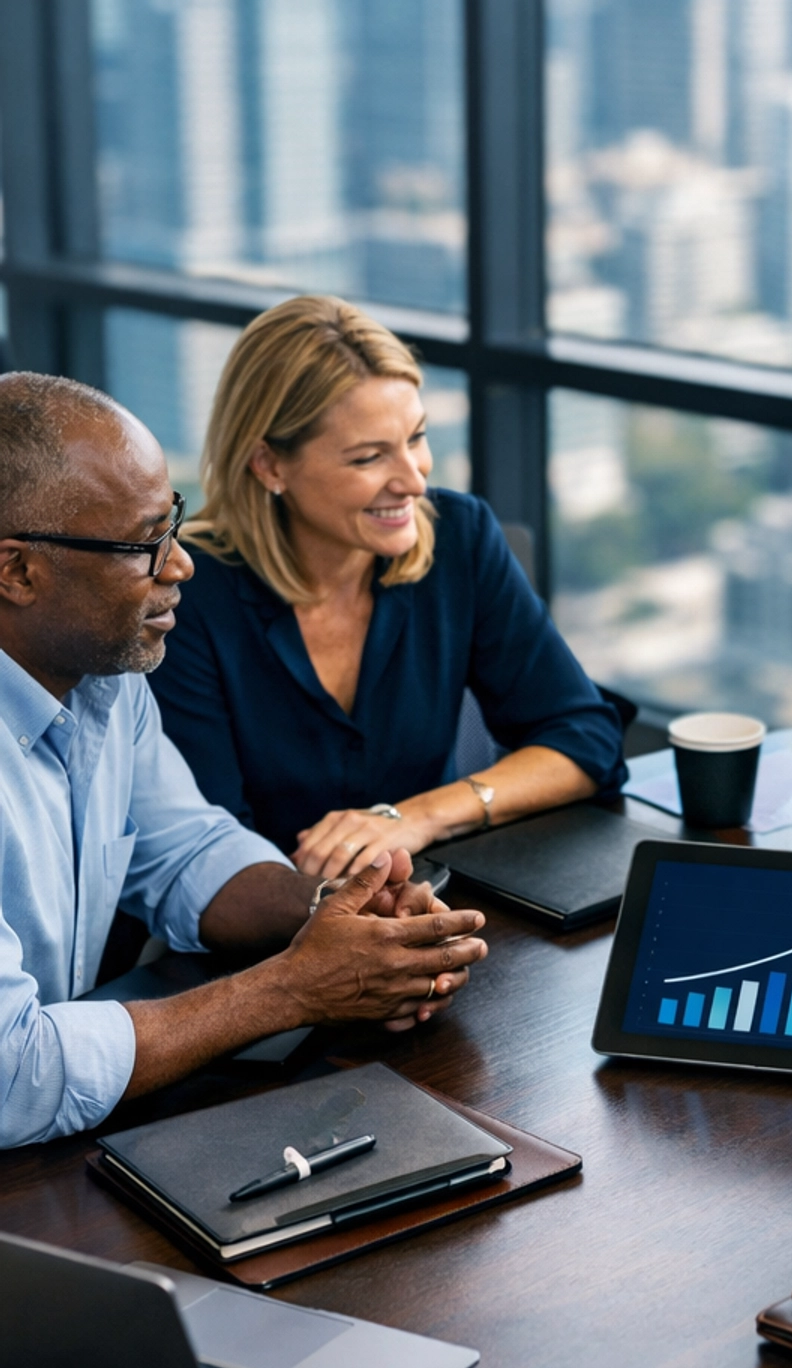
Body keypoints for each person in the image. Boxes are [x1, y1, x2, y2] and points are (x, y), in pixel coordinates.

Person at [0, 371, 490, 1149]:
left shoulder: (102, 679)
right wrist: (293, 989)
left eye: (174, 525)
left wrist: (338, 918)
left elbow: (187, 849)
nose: (179, 566)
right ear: (18, 571)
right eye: (142, 545)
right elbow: (11, 1072)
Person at [150, 296, 624, 880]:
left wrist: (416, 817)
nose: (413, 478)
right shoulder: (187, 592)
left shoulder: (461, 539)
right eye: (369, 457)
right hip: (266, 934)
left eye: (417, 438)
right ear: (268, 465)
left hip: (433, 905)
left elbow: (584, 739)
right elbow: (207, 850)